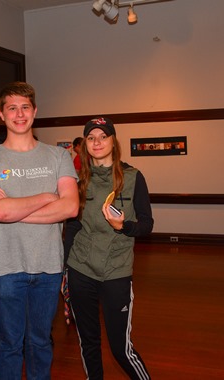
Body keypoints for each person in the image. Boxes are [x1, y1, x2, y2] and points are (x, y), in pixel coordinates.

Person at [0, 81, 79, 380]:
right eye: (12, 108)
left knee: (40, 342)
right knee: (8, 344)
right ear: (1, 114)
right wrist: (47, 198)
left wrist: (12, 209)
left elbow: (71, 207)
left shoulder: (58, 157)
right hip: (5, 268)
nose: (19, 114)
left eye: (25, 107)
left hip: (48, 267)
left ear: (35, 111)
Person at [64, 117, 153, 380]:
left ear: (114, 141)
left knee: (120, 349)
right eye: (91, 138)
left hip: (116, 271)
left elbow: (147, 224)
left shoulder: (133, 177)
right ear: (85, 145)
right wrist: (65, 271)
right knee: (89, 343)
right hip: (80, 270)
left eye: (103, 136)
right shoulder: (78, 180)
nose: (97, 142)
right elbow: (72, 227)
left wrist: (123, 225)